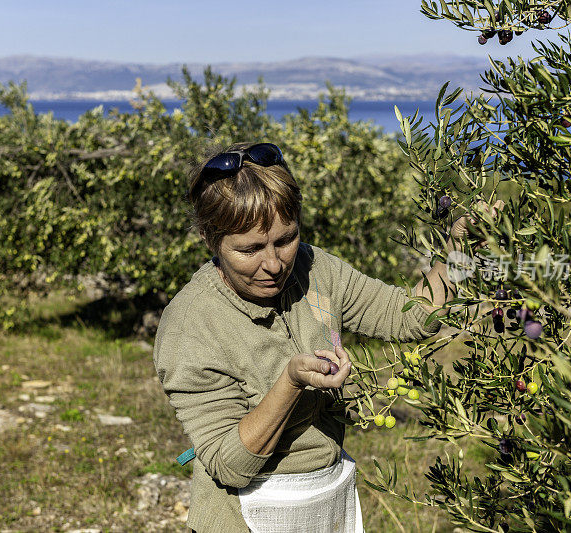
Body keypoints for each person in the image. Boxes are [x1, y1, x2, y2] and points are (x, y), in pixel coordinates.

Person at [153, 141, 499, 532]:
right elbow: (230, 466)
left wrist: (460, 252)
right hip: (243, 517)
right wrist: (291, 381)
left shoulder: (315, 270)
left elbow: (408, 317)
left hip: (328, 499)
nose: (273, 264)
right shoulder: (190, 326)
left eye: (286, 239)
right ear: (209, 239)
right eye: (249, 249)